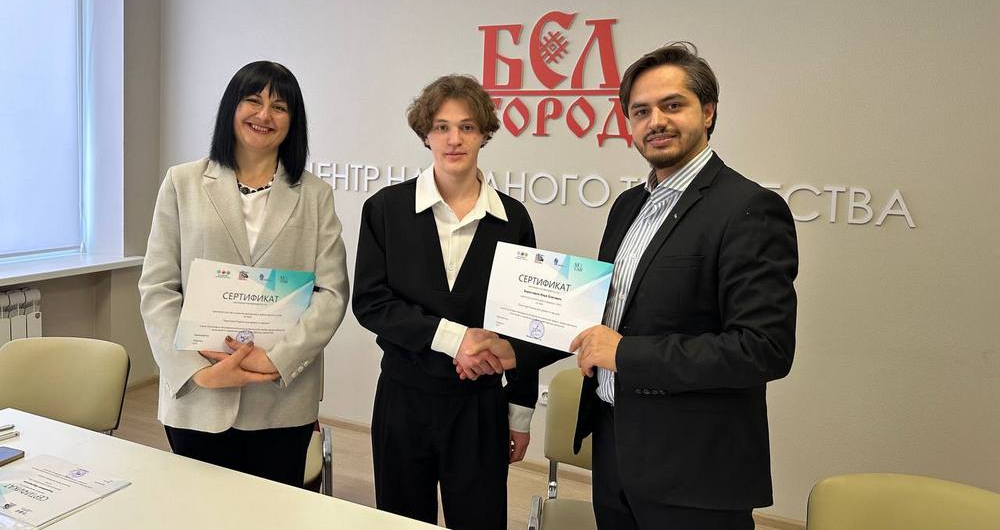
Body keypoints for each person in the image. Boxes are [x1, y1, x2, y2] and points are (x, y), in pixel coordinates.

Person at [569, 42, 798, 530]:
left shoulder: (748, 209)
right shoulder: (628, 206)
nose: (656, 121)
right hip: (616, 449)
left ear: (708, 111)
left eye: (672, 105)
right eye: (641, 111)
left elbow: (763, 348)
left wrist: (624, 353)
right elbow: (613, 314)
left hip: (695, 471)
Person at [138, 60, 349, 486]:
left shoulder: (315, 194)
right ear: (231, 108)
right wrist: (194, 371)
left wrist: (276, 358)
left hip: (281, 400)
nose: (264, 115)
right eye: (253, 101)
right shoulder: (182, 182)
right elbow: (158, 287)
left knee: (274, 511)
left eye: (279, 107)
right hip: (199, 394)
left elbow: (332, 293)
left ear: (293, 120)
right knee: (199, 509)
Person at [352, 74, 544, 529]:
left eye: (467, 127)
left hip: (480, 406)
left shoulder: (513, 219)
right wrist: (456, 340)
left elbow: (526, 320)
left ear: (484, 134)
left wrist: (520, 414)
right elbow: (371, 302)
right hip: (403, 398)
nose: (454, 139)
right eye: (442, 127)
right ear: (425, 134)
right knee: (401, 521)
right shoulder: (385, 209)